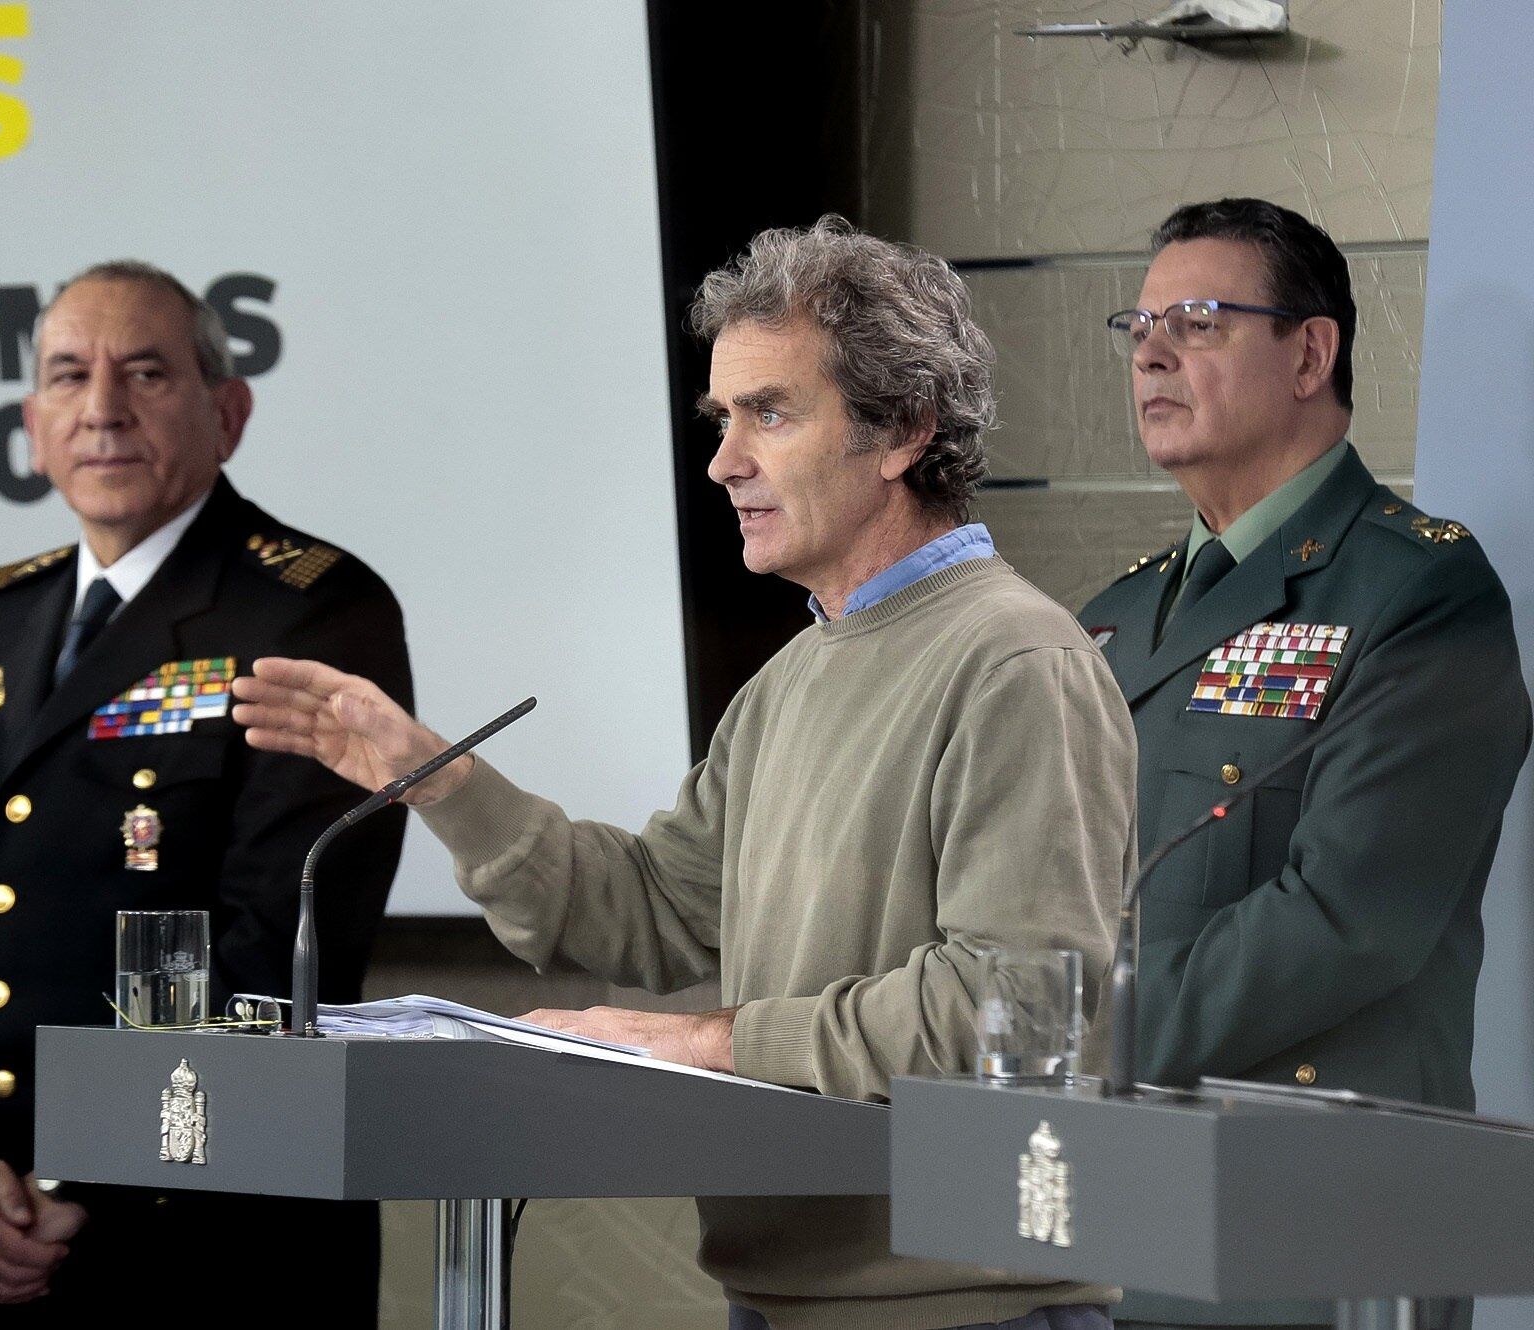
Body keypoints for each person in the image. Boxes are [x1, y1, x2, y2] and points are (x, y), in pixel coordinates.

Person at [233, 217, 1136, 1330]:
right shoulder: (795, 673)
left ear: (902, 428)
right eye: (721, 417)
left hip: (960, 1304)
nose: (722, 462)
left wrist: (713, 1040)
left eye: (769, 412)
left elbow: (1009, 1002)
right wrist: (437, 780)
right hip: (781, 1290)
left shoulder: (1014, 662)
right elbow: (655, 915)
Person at [0, 261, 412, 1325]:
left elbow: (275, 946)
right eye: (68, 376)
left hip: (210, 1247)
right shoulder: (0, 617)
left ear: (229, 410)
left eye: (145, 373)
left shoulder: (309, 611)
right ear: (32, 422)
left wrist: (84, 1177)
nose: (103, 409)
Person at [1078, 198, 1530, 1328]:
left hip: (1310, 1213)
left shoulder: (1415, 590)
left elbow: (1347, 916)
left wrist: (1072, 1035)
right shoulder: (1115, 615)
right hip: (1107, 1203)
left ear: (1308, 352)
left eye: (1194, 319)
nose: (1148, 348)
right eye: (1137, 322)